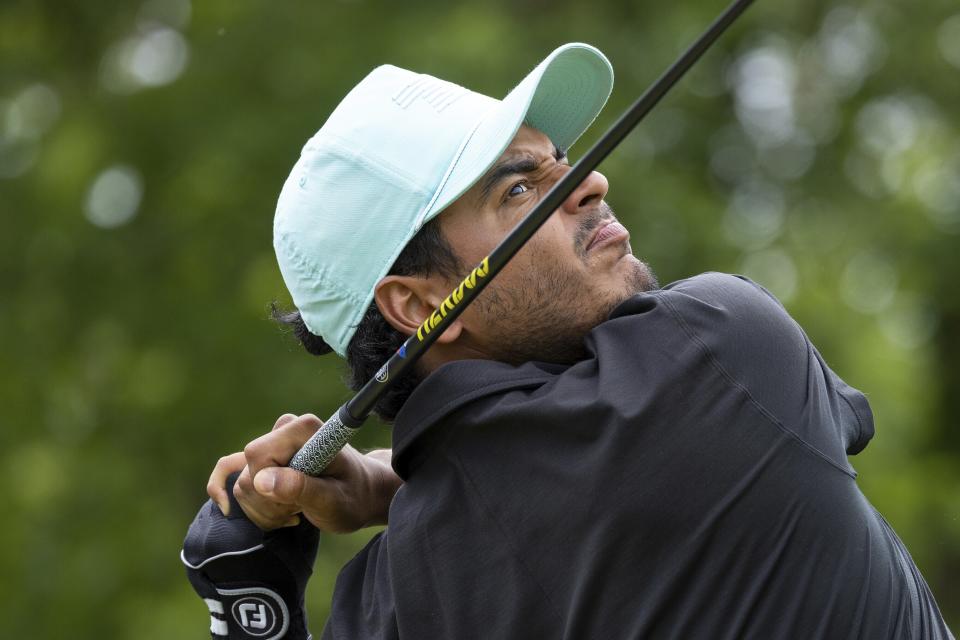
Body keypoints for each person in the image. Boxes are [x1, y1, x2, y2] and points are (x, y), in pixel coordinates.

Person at [202, 43, 954, 638]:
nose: (588, 183)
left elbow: (514, 492)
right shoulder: (717, 347)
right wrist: (389, 487)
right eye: (520, 191)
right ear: (419, 304)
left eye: (565, 161)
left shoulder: (392, 603)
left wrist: (252, 588)